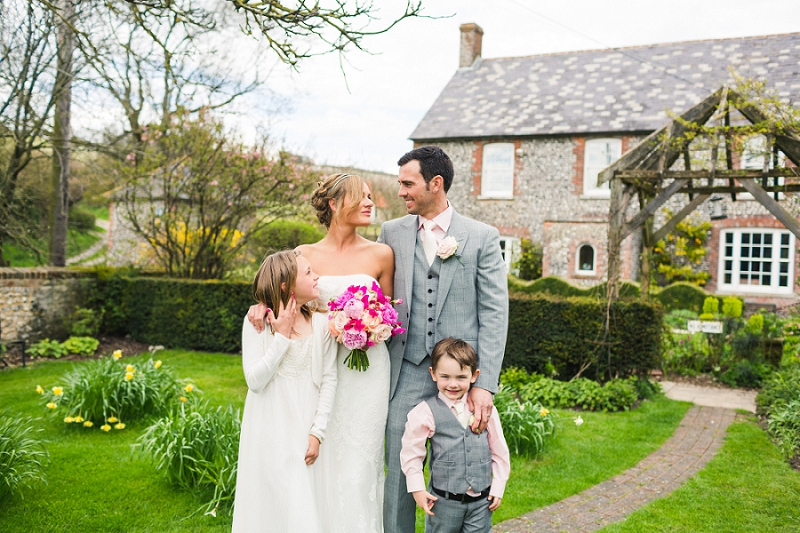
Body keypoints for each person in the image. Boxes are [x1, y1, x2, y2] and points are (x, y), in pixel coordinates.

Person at [247, 173, 395, 533]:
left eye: (370, 197)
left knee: (361, 464)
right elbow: (285, 302)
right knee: (320, 461)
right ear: (332, 204)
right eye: (360, 196)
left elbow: (390, 313)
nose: (369, 203)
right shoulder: (303, 255)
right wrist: (259, 307)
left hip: (368, 372)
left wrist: (370, 325)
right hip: (317, 373)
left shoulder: (381, 253)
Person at [379, 145, 509, 533]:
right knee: (400, 473)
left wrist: (483, 384)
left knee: (460, 470)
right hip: (405, 372)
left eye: (408, 183)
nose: (400, 191)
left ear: (435, 184)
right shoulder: (391, 232)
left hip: (459, 379)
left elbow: (494, 313)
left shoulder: (482, 237)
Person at [233, 250, 338, 533]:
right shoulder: (258, 323)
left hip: (303, 426)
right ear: (285, 285)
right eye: (307, 273)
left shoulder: (320, 324)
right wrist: (281, 336)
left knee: (302, 504)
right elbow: (255, 381)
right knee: (271, 503)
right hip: (268, 427)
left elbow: (329, 379)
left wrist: (318, 432)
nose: (316, 276)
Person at [400, 338, 510, 533]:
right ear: (433, 374)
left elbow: (499, 450)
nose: (453, 384)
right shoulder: (424, 413)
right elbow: (412, 454)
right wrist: (417, 488)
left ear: (474, 376)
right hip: (443, 503)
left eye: (461, 377)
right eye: (445, 377)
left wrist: (498, 485)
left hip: (481, 503)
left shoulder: (484, 410)